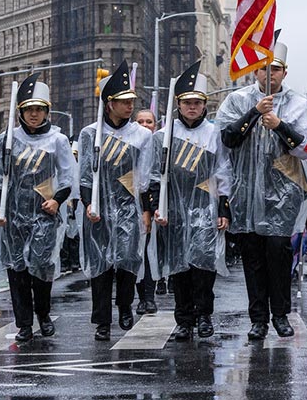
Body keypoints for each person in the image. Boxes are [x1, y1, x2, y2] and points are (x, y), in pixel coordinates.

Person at [217, 41, 307, 341]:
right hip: (246, 193)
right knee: (253, 257)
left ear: (284, 72)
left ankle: (281, 315)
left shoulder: (299, 104)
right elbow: (226, 139)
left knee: (278, 254)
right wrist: (254, 114)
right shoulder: (236, 100)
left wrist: (280, 125)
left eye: (275, 69)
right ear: (255, 71)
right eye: (263, 69)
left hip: (283, 195)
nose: (269, 75)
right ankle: (258, 318)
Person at [0, 72, 76, 342]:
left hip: (45, 214)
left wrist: (57, 200)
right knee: (18, 269)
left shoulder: (58, 141)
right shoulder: (8, 140)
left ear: (46, 111)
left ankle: (43, 314)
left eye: (39, 109)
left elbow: (69, 177)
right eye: (29, 110)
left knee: (42, 267)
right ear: (21, 112)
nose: (34, 114)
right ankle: (24, 323)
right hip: (14, 216)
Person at [150, 61, 232, 340]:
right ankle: (183, 319)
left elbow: (223, 171)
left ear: (204, 103)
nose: (192, 107)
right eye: (187, 102)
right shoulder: (164, 136)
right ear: (179, 104)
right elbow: (153, 175)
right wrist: (156, 207)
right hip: (173, 209)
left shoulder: (214, 133)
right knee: (179, 267)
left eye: (197, 102)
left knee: (203, 266)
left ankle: (204, 315)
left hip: (204, 208)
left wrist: (223, 206)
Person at [79, 61, 154, 342]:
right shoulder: (90, 134)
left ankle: (124, 306)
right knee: (100, 266)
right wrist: (88, 203)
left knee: (127, 260)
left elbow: (147, 176)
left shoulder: (142, 136)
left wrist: (146, 210)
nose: (129, 106)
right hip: (98, 209)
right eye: (123, 102)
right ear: (109, 104)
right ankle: (101, 320)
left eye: (132, 101)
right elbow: (85, 174)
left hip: (129, 207)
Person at [131, 108, 159, 316]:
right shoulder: (131, 146)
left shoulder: (160, 145)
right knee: (140, 254)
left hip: (159, 207)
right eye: (140, 121)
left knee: (153, 254)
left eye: (149, 121)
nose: (145, 125)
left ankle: (151, 294)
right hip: (137, 208)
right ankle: (144, 298)